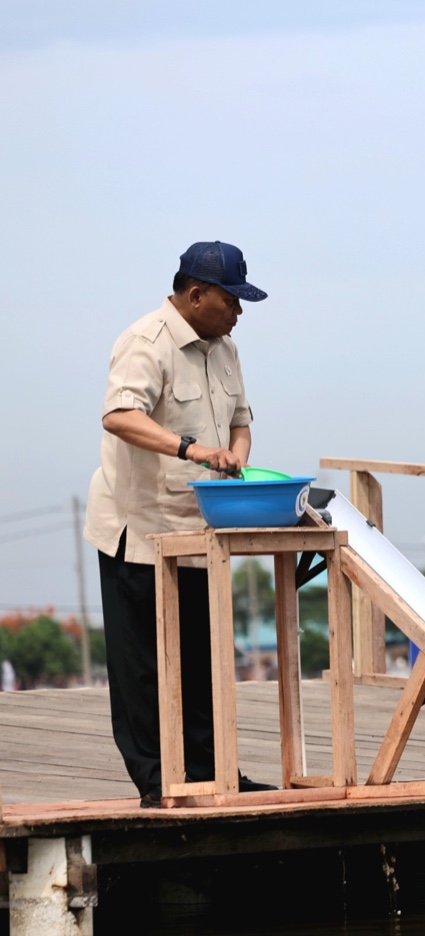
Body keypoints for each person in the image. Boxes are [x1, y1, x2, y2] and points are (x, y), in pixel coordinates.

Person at [85, 241, 274, 806]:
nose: (239, 312)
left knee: (204, 662)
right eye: (231, 300)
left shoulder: (227, 349)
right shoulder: (147, 341)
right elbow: (119, 416)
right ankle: (157, 784)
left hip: (201, 528)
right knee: (142, 666)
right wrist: (192, 450)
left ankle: (215, 776)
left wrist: (236, 451)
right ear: (195, 295)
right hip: (139, 528)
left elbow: (242, 422)